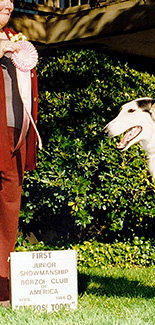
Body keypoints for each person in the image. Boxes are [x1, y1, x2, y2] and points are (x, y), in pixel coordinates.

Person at [0, 0, 39, 307]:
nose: (7, 4)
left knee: (9, 209)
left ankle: (3, 287)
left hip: (14, 135)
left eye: (11, 0)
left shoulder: (16, 39)